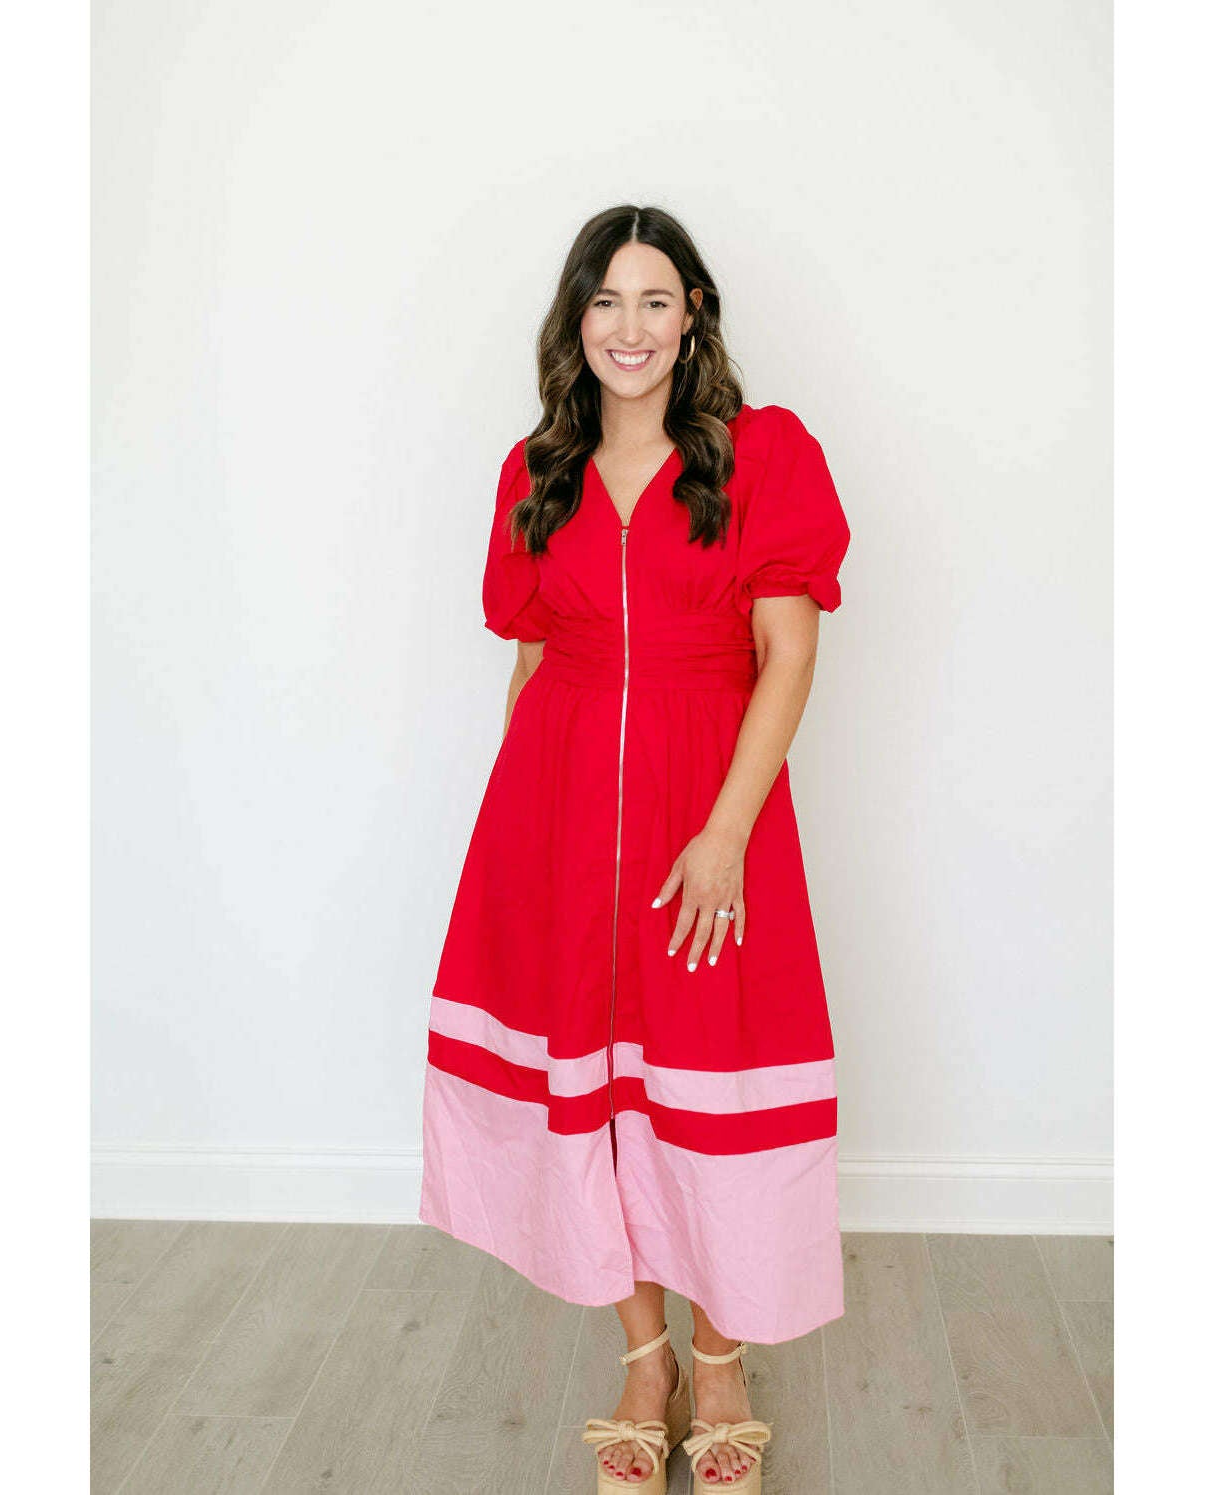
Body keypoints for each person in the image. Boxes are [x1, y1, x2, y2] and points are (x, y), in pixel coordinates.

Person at [418, 204, 852, 1494]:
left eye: (655, 299)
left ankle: (723, 1367)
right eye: (605, 301)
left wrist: (725, 835)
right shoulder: (537, 470)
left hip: (705, 815)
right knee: (598, 1092)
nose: (630, 326)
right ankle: (645, 1361)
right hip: (555, 816)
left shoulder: (764, 455)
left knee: (713, 1088)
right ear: (576, 319)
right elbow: (532, 657)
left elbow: (788, 655)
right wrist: (521, 840)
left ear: (693, 315)